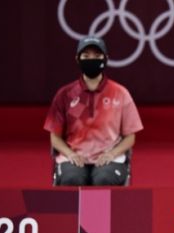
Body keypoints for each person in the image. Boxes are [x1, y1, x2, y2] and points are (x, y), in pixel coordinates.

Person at [44, 36, 143, 186]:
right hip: (73, 157)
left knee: (103, 180)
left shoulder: (120, 93)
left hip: (109, 158)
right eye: (86, 56)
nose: (92, 60)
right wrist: (70, 154)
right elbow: (55, 138)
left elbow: (130, 137)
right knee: (72, 179)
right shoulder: (66, 94)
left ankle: (98, 210)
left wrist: (112, 154)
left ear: (106, 58)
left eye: (97, 56)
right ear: (77, 59)